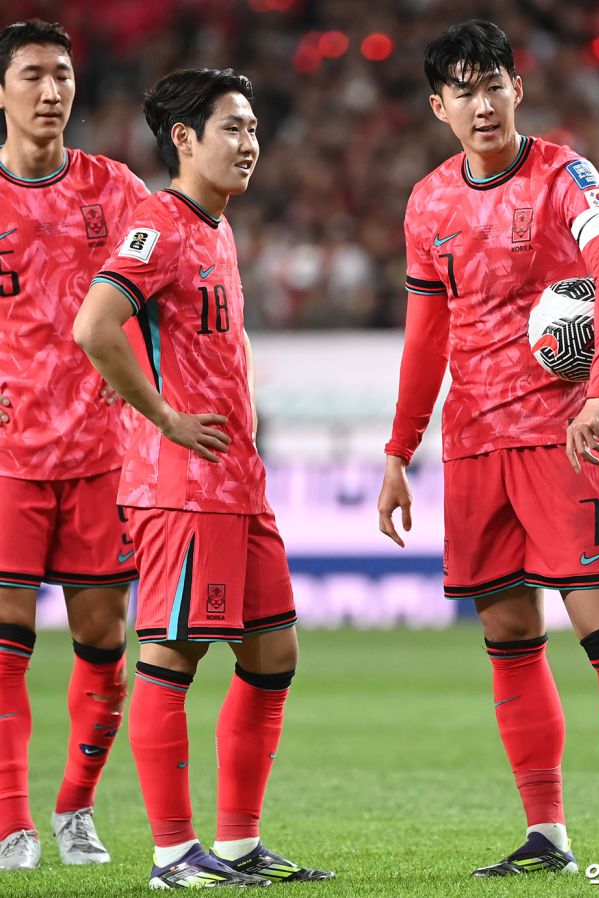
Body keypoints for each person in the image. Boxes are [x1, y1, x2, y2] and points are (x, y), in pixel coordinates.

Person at [378, 20, 599, 878]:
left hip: (563, 438)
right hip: (474, 447)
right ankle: (546, 836)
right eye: (464, 91)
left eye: (495, 86)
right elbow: (425, 337)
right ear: (439, 106)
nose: (482, 105)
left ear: (517, 89)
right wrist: (399, 450)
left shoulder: (566, 176)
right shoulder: (427, 203)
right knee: (510, 637)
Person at [74, 67, 333, 889]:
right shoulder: (159, 224)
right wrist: (163, 416)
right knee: (172, 657)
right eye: (232, 128)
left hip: (236, 484)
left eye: (253, 128)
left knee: (273, 654)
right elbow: (94, 325)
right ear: (184, 140)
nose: (249, 143)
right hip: (182, 486)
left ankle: (238, 844)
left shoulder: (215, 227)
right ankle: (171, 854)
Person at [0, 19, 149, 871]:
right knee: (5, 642)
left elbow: (162, 289)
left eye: (61, 74)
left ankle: (75, 811)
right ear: (2, 91)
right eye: (31, 75)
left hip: (101, 453)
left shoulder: (115, 190)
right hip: (9, 460)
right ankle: (11, 822)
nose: (50, 90)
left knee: (102, 641)